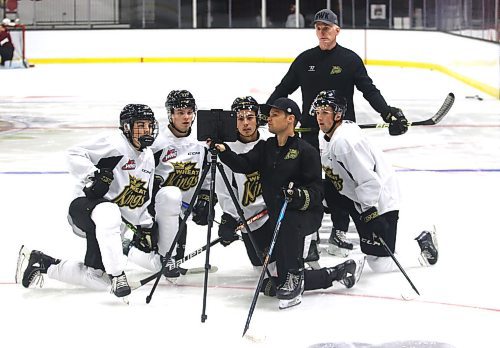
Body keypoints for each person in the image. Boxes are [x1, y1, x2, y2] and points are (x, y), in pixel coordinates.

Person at [15, 104, 183, 300]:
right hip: (85, 207)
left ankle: (43, 264)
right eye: (140, 125)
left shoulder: (146, 156)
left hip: (109, 222)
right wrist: (93, 175)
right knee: (108, 212)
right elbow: (73, 153)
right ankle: (118, 274)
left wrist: (144, 227)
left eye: (148, 125)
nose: (146, 131)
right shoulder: (114, 144)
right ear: (127, 127)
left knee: (97, 278)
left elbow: (138, 197)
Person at [212, 97, 365, 309]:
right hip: (278, 215)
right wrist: (223, 152)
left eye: (275, 115)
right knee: (272, 280)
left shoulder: (306, 151)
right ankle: (339, 271)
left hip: (303, 215)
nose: (269, 119)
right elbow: (243, 164)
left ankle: (295, 274)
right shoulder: (267, 147)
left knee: (288, 230)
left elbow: (317, 190)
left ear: (290, 119)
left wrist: (299, 196)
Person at [312, 89, 438, 273]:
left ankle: (422, 245)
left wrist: (371, 212)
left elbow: (368, 179)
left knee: (379, 262)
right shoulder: (329, 136)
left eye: (325, 112)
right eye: (317, 112)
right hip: (355, 196)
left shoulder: (345, 143)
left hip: (379, 197)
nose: (319, 117)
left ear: (337, 114)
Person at [268, 8, 408, 151]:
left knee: (337, 173)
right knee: (311, 173)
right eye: (318, 28)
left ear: (337, 30)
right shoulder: (304, 60)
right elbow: (283, 89)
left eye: (327, 28)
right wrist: (265, 110)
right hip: (311, 131)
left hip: (342, 132)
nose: (322, 32)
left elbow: (369, 90)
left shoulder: (350, 60)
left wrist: (386, 112)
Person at [151, 90, 214, 264]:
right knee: (164, 256)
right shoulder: (157, 143)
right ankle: (132, 249)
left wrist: (206, 198)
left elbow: (208, 173)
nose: (186, 117)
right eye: (180, 113)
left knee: (176, 258)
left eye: (189, 112)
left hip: (185, 209)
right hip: (162, 210)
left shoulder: (201, 141)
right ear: (170, 114)